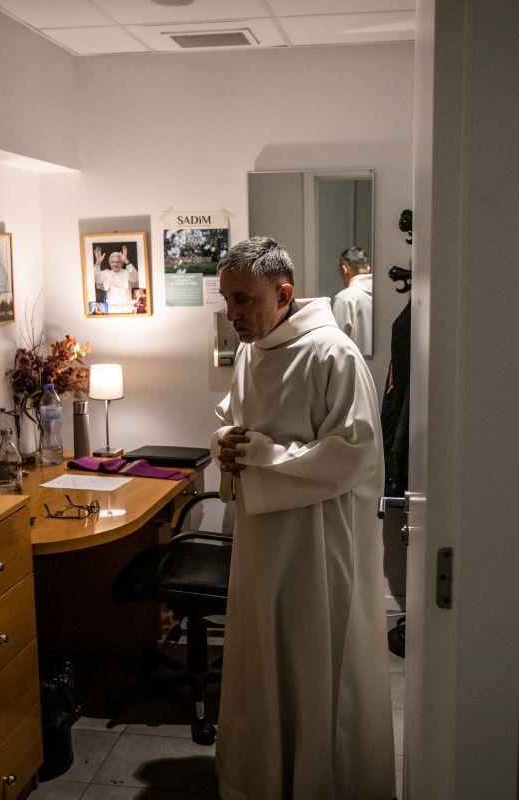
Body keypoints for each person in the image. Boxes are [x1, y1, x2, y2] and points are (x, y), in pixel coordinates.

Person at [210, 237, 394, 800]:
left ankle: (316, 782)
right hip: (261, 538)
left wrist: (266, 457)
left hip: (317, 540)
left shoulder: (332, 354)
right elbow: (231, 416)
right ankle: (263, 779)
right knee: (261, 657)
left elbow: (356, 451)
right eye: (226, 302)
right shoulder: (251, 350)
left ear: (283, 293)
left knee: (312, 662)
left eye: (243, 300)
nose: (233, 315)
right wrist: (225, 442)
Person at [331, 246, 373, 353]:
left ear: (344, 269)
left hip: (353, 368)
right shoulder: (383, 295)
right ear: (368, 268)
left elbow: (337, 346)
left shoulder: (345, 298)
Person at [94, 246, 138, 312]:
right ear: (109, 263)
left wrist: (126, 261)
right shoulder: (106, 273)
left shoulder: (127, 272)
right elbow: (98, 280)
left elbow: (135, 279)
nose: (115, 264)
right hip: (111, 309)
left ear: (122, 263)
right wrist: (98, 263)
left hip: (127, 309)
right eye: (113, 262)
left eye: (118, 262)